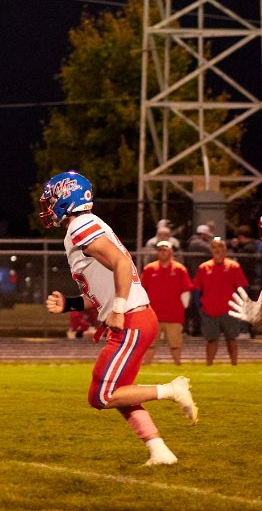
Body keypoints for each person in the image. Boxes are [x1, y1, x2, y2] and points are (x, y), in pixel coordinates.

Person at [39, 170, 197, 466]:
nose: (48, 206)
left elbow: (122, 264)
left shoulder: (80, 225)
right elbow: (100, 293)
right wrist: (69, 304)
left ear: (66, 198)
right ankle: (159, 451)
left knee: (101, 395)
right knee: (121, 392)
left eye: (51, 200)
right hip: (136, 318)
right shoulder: (84, 227)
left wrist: (119, 309)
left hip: (131, 320)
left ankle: (172, 389)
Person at [193, 237, 248, 365]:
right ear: (211, 250)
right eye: (214, 247)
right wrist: (200, 306)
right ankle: (209, 364)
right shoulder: (203, 267)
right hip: (209, 309)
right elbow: (197, 289)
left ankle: (234, 364)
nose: (217, 250)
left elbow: (242, 288)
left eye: (220, 247)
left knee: (231, 338)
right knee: (211, 339)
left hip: (230, 309)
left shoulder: (234, 266)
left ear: (225, 249)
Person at [140, 241, 193, 365]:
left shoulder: (180, 269)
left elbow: (186, 290)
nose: (162, 253)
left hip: (174, 314)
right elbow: (142, 289)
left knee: (175, 344)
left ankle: (177, 364)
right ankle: (146, 365)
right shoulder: (149, 269)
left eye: (165, 250)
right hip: (153, 315)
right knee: (150, 344)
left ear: (170, 251)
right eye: (160, 250)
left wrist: (184, 307)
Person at [228, 211, 262, 326]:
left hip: (247, 279)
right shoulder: (257, 244)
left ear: (241, 237)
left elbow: (241, 264)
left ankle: (244, 328)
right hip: (254, 279)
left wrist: (235, 249)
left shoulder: (248, 249)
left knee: (245, 304)